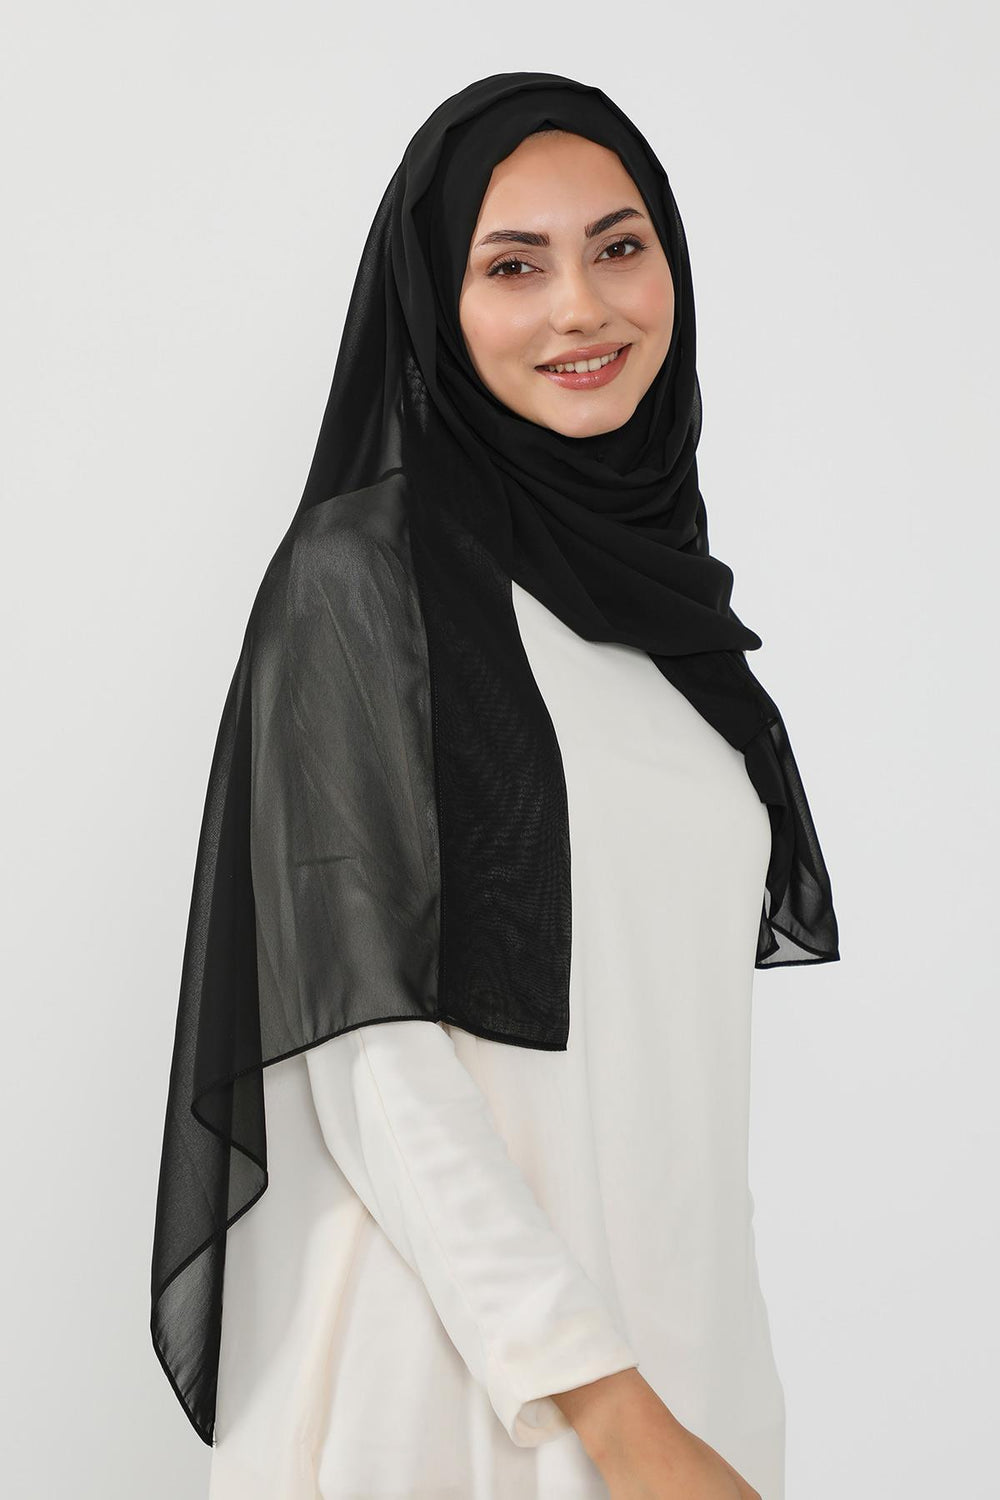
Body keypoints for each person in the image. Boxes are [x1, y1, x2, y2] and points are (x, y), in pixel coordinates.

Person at [150, 71, 840, 1500]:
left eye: (619, 247)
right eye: (513, 266)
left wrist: (707, 1403)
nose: (581, 308)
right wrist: (621, 1421)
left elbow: (664, 1068)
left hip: (690, 1372)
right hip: (439, 1397)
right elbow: (372, 1064)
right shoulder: (365, 583)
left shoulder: (672, 629)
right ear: (434, 305)